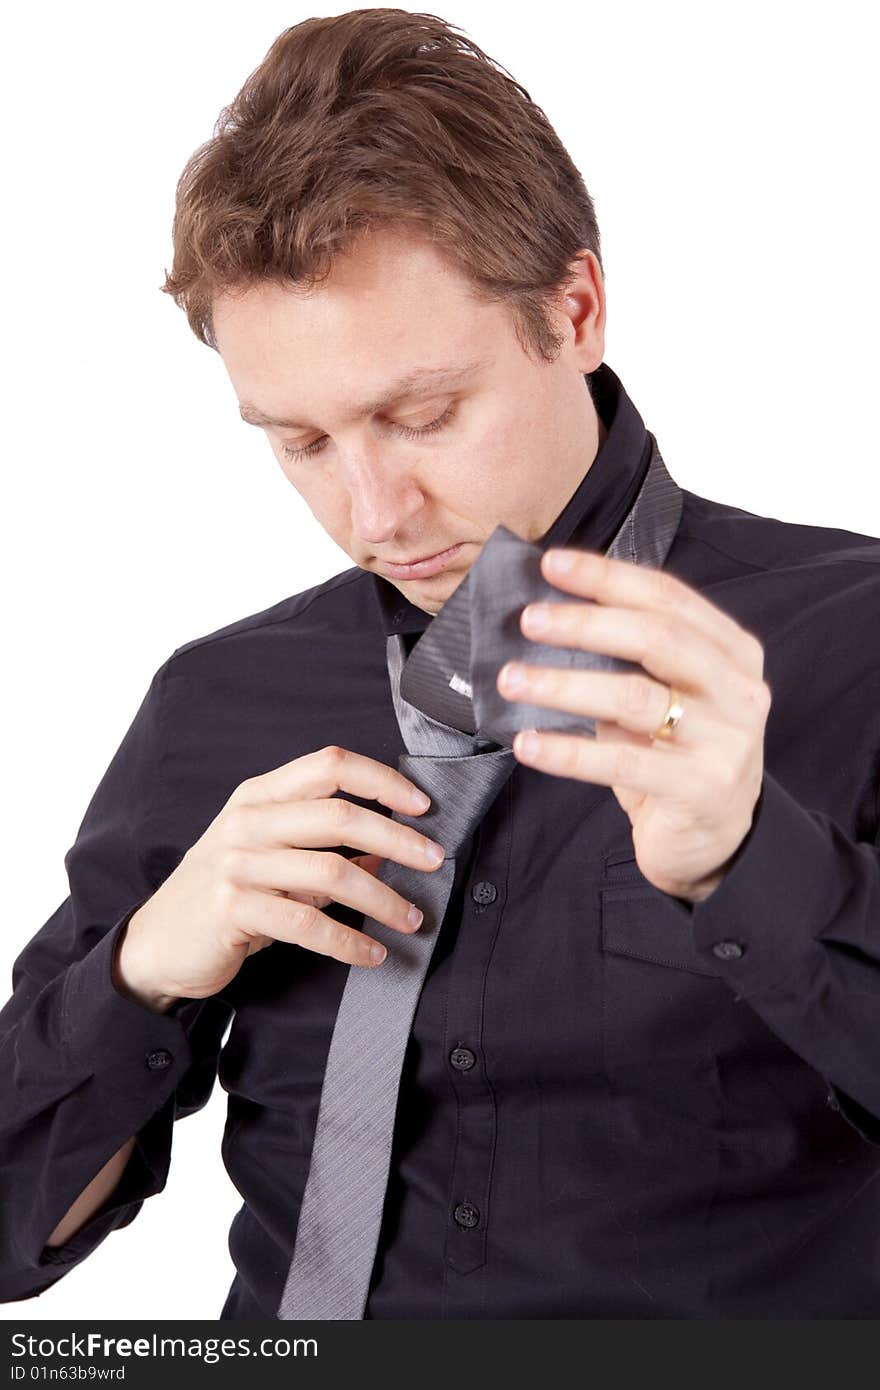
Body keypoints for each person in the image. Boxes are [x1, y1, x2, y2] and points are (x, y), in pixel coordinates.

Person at [2, 8, 879, 1320]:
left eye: (420, 416)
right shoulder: (216, 702)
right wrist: (143, 968)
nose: (372, 513)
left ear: (574, 309)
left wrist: (751, 862)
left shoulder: (855, 644)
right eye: (298, 440)